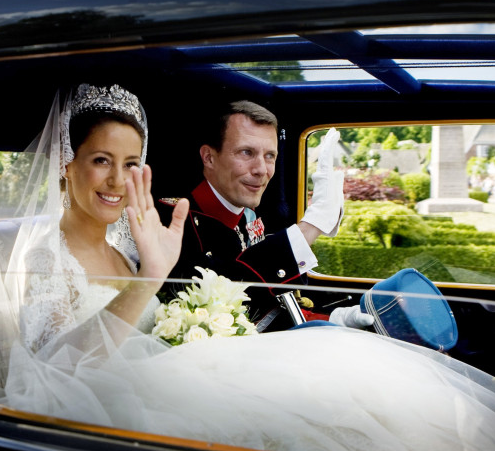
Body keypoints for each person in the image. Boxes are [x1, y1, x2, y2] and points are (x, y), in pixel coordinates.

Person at [0, 83, 495, 451]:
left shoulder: (132, 234)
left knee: (366, 387)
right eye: (100, 160)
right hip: (109, 410)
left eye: (130, 163)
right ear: (64, 165)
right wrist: (155, 278)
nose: (118, 181)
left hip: (184, 368)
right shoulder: (71, 249)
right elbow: (55, 374)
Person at [157, 101, 370, 329]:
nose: (261, 169)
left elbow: (272, 303)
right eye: (246, 152)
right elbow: (222, 306)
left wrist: (336, 318)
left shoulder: (249, 214)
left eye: (270, 156)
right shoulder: (173, 221)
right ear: (209, 157)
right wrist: (311, 226)